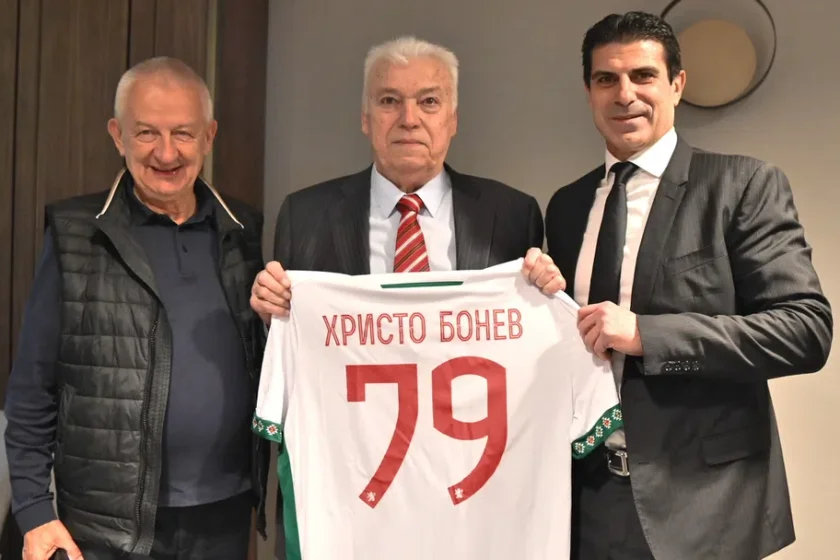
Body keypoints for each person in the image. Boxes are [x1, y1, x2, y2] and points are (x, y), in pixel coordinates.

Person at [248, 36, 564, 558]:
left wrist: (545, 296)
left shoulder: (512, 214)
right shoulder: (306, 215)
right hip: (352, 488)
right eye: (389, 100)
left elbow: (525, 356)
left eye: (429, 101)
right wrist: (273, 311)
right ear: (365, 118)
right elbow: (296, 349)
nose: (409, 119)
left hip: (471, 491)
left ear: (453, 119)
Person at [544, 11, 833, 560]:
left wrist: (647, 335)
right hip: (586, 502)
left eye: (643, 76)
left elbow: (805, 331)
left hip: (706, 505)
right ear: (589, 92)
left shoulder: (742, 185)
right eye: (606, 79)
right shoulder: (566, 206)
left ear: (677, 84)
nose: (624, 94)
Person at [3, 56, 269, 560]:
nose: (166, 152)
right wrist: (35, 510)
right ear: (117, 136)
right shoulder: (76, 234)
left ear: (209, 136)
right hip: (104, 529)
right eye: (146, 132)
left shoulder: (244, 231)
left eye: (183, 133)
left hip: (224, 516)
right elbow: (32, 388)